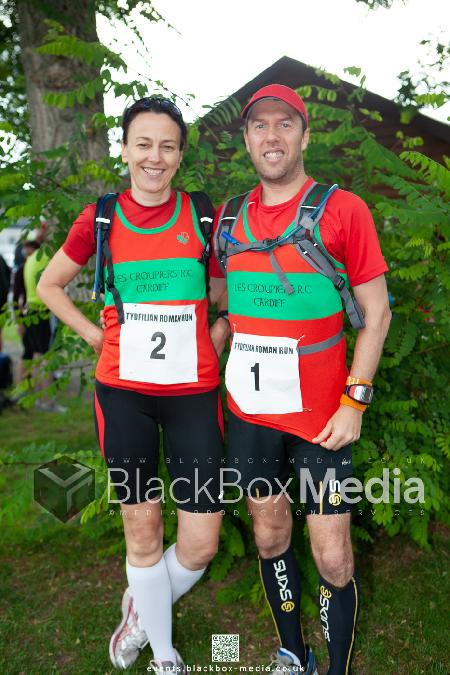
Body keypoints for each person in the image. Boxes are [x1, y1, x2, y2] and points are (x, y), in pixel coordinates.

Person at [37, 97, 230, 672]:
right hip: (124, 393)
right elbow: (49, 285)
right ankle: (164, 654)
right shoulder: (100, 218)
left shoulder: (203, 216)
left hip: (194, 393)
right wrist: (95, 337)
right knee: (141, 526)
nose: (154, 156)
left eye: (167, 146)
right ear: (123, 150)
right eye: (143, 144)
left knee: (202, 542)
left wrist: (217, 331)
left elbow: (223, 292)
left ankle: (142, 608)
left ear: (180, 155)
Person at [210, 85, 391, 674]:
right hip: (251, 415)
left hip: (323, 422)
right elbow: (221, 305)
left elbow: (377, 314)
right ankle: (294, 651)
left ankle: (336, 667)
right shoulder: (229, 219)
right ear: (246, 140)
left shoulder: (343, 210)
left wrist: (355, 402)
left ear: (305, 136)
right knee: (269, 535)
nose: (272, 136)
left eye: (285, 124)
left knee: (333, 556)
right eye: (260, 125)